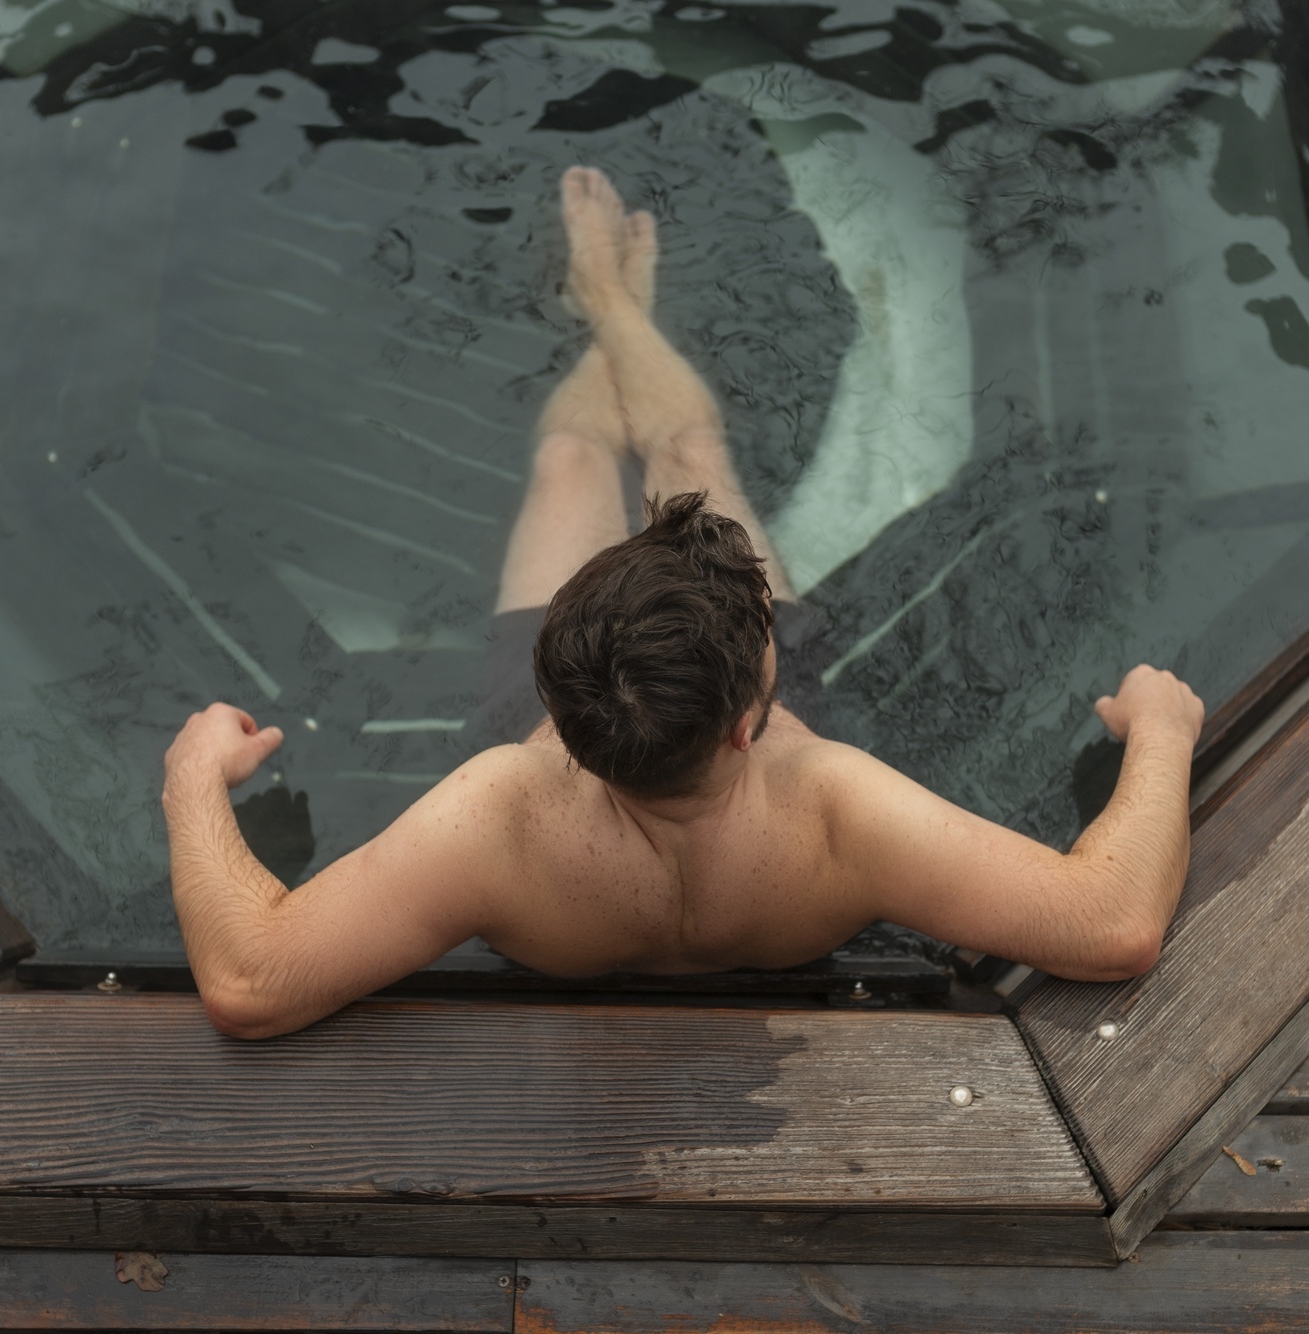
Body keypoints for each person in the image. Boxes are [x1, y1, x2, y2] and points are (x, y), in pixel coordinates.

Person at [162, 167, 1205, 1040]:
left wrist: (191, 777)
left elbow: (252, 979)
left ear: (553, 703)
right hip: (774, 836)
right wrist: (1162, 729)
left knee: (572, 459)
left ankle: (606, 310)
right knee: (691, 449)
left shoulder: (497, 817)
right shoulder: (837, 809)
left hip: (561, 843)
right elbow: (1111, 920)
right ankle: (620, 314)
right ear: (756, 715)